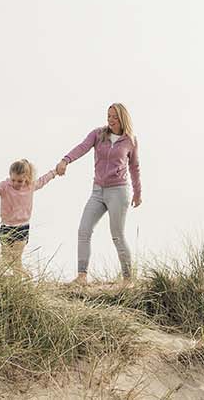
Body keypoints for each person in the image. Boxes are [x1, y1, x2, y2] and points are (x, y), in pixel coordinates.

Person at [55, 103, 141, 284]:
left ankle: (128, 279)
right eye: (108, 116)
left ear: (123, 119)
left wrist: (137, 193)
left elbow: (134, 168)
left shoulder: (130, 140)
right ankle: (82, 276)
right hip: (98, 191)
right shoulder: (98, 134)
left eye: (114, 117)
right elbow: (82, 147)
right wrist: (65, 160)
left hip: (118, 191)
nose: (110, 120)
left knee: (117, 235)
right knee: (84, 230)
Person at [0, 159, 58, 274]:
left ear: (27, 178)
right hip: (6, 226)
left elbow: (43, 180)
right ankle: (25, 276)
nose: (15, 183)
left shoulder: (30, 186)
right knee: (5, 259)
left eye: (20, 181)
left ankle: (22, 281)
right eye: (13, 180)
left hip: (22, 227)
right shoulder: (5, 185)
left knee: (16, 259)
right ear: (10, 176)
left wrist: (55, 172)